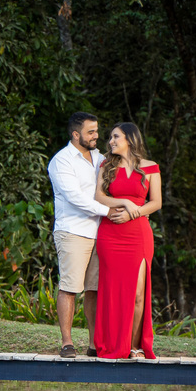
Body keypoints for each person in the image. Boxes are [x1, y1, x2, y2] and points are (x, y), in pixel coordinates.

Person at [47, 113, 129, 358]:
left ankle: (94, 344)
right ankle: (67, 343)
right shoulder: (61, 161)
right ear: (76, 134)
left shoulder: (100, 159)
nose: (97, 136)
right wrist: (108, 210)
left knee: (94, 289)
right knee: (70, 288)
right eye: (91, 132)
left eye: (97, 131)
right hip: (73, 231)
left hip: (101, 233)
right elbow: (76, 198)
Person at [93, 122, 163, 359]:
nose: (110, 141)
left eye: (115, 137)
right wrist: (126, 203)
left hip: (138, 235)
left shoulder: (151, 167)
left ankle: (134, 346)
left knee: (138, 294)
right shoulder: (107, 165)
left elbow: (156, 203)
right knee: (112, 293)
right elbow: (99, 196)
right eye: (111, 137)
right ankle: (113, 345)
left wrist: (135, 212)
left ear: (130, 139)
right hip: (111, 235)